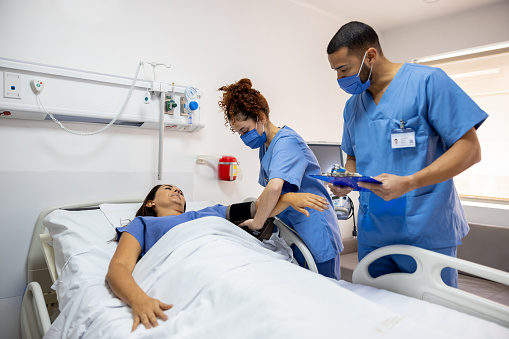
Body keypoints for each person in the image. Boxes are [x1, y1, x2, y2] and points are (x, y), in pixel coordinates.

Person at [326, 21, 488, 287]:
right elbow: (354, 158)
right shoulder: (352, 107)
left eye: (344, 69)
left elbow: (470, 150)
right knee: (381, 318)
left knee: (431, 317)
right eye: (335, 72)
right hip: (374, 232)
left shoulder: (427, 82)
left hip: (425, 228)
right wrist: (344, 181)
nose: (340, 79)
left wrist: (409, 182)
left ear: (370, 56)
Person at [106, 184, 329, 331]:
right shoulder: (143, 224)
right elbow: (118, 267)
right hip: (194, 263)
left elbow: (258, 208)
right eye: (168, 189)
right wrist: (138, 299)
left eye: (180, 191)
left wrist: (288, 198)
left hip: (234, 255)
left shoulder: (208, 213)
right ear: (150, 203)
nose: (177, 191)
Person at [218, 78, 343, 280]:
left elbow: (275, 188)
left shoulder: (287, 143)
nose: (243, 138)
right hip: (294, 229)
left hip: (314, 226)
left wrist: (258, 222)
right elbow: (271, 194)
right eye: (239, 133)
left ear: (261, 117)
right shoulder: (265, 147)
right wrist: (278, 203)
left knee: (327, 293)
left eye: (245, 131)